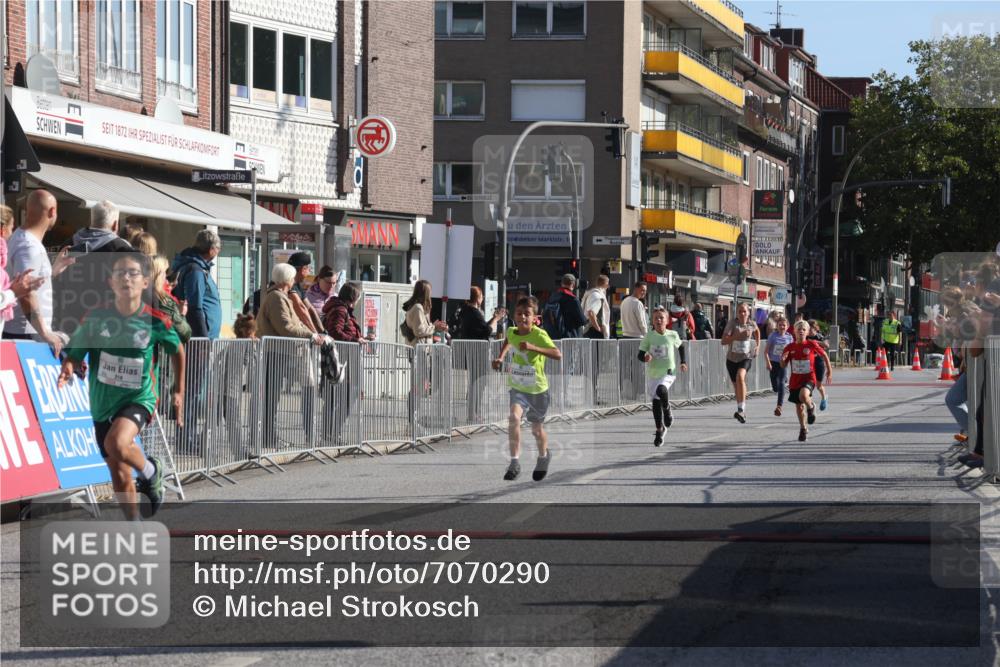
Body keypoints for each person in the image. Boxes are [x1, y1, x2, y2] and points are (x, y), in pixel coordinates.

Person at [57, 252, 185, 518]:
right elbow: (77, 351)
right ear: (111, 282)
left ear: (146, 283)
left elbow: (178, 350)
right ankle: (134, 527)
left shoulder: (155, 320)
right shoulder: (96, 316)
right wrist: (69, 367)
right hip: (103, 400)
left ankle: (151, 471)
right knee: (118, 470)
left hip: (139, 397)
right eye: (120, 273)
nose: (126, 278)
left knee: (116, 443)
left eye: (133, 273)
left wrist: (178, 390)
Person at [258, 263, 332, 447]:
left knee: (274, 396)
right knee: (271, 397)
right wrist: (311, 334)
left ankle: (272, 437)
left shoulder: (280, 296)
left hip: (282, 350)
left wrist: (312, 333)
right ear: (286, 280)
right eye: (291, 278)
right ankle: (268, 438)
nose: (294, 281)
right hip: (276, 351)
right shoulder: (276, 298)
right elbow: (285, 327)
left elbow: (296, 322)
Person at [491, 296, 562, 481]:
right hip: (518, 387)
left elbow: (557, 354)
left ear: (534, 317)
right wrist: (500, 357)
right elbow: (508, 340)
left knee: (536, 430)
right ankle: (514, 462)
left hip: (538, 389)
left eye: (527, 314)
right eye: (519, 313)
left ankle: (544, 456)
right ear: (514, 315)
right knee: (514, 417)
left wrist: (533, 347)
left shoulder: (539, 335)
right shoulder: (513, 331)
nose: (522, 317)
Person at [4, 190, 75, 356]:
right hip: (25, 335)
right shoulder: (29, 246)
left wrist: (53, 269)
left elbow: (28, 283)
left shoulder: (25, 240)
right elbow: (26, 293)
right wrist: (45, 333)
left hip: (26, 332)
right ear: (52, 211)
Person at [52, 200, 135, 336]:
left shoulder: (68, 245)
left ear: (91, 220)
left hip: (69, 323)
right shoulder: (121, 248)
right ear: (115, 224)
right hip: (107, 325)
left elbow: (57, 284)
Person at [639, 306, 688, 447]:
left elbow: (681, 347)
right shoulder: (649, 336)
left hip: (669, 372)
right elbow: (640, 354)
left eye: (661, 318)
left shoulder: (672, 334)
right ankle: (660, 430)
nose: (659, 320)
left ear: (667, 320)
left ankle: (667, 410)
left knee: (662, 390)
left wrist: (683, 362)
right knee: (655, 403)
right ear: (652, 321)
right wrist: (645, 357)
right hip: (654, 373)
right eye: (656, 318)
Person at [781, 319, 832, 442]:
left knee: (803, 395)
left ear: (808, 332)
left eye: (804, 329)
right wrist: (782, 359)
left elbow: (824, 355)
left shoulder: (811, 344)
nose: (801, 332)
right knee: (799, 407)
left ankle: (811, 406)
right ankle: (803, 428)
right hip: (795, 380)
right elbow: (783, 365)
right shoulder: (790, 347)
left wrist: (829, 371)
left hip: (809, 378)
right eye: (799, 329)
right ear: (794, 332)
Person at [0, 205, 44, 339]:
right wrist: (13, 292)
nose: (12, 233)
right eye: (11, 227)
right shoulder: (26, 245)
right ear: (2, 230)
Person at [171, 229, 223, 339]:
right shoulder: (196, 271)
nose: (219, 251)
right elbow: (195, 308)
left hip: (201, 337)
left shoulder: (195, 267)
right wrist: (202, 341)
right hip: (199, 341)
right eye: (218, 248)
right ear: (211, 250)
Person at [721, 302, 760, 423]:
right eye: (740, 311)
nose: (742, 313)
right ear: (737, 313)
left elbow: (757, 332)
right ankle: (740, 409)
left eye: (745, 311)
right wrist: (736, 336)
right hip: (731, 359)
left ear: (748, 313)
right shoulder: (732, 324)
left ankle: (741, 410)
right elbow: (723, 341)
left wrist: (757, 346)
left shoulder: (751, 324)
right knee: (736, 385)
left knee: (740, 377)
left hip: (745, 357)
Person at [150, 255, 192, 344]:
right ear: (158, 274)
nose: (166, 277)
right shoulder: (163, 300)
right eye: (165, 272)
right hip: (153, 355)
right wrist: (182, 314)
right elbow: (185, 334)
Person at [401, 279, 447, 346]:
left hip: (421, 349)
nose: (431, 294)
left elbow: (422, 328)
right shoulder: (417, 308)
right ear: (426, 293)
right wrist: (434, 327)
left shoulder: (418, 307)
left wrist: (433, 325)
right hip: (419, 349)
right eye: (430, 291)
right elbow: (419, 331)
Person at [541, 273, 587, 340]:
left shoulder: (552, 297)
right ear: (573, 285)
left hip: (555, 336)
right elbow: (582, 320)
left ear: (561, 283)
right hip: (571, 337)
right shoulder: (573, 299)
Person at [765, 315, 793, 416]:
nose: (782, 327)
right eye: (780, 325)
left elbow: (792, 351)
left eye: (784, 325)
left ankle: (779, 406)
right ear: (777, 325)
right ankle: (781, 382)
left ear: (787, 326)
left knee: (781, 383)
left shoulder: (789, 337)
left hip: (783, 363)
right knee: (775, 387)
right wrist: (768, 362)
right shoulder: (773, 336)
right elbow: (766, 352)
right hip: (773, 363)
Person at [807, 319, 831, 410]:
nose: (809, 331)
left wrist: (815, 342)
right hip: (809, 363)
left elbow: (826, 345)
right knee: (809, 383)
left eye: (811, 329)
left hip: (819, 362)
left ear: (815, 329)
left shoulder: (820, 337)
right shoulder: (805, 337)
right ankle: (809, 403)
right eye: (808, 329)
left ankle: (824, 397)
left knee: (818, 385)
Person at [582, 275, 611, 339]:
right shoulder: (597, 296)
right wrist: (598, 328)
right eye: (608, 284)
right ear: (606, 285)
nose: (608, 287)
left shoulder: (591, 294)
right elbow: (591, 313)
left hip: (590, 330)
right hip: (594, 332)